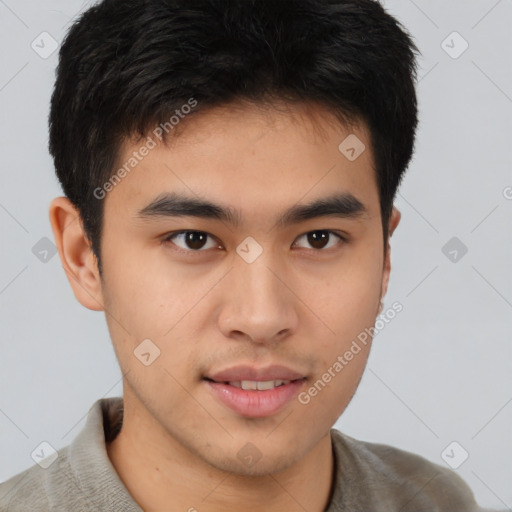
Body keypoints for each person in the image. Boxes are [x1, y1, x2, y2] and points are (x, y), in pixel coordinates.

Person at [0, 0, 500, 510]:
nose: (261, 318)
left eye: (319, 239)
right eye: (193, 239)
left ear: (385, 256)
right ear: (84, 256)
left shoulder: (438, 501)